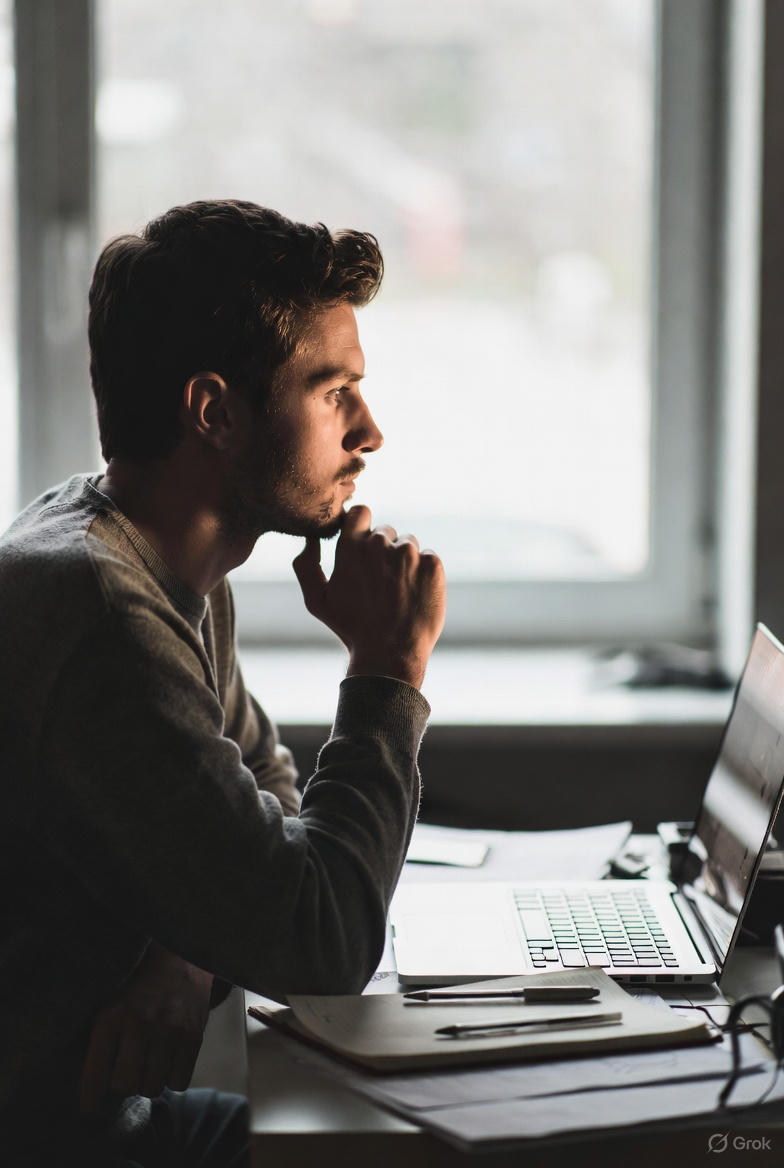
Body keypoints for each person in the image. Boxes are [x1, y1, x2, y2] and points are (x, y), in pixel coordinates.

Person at [0, 199, 446, 1166]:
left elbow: (269, 791)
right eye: (334, 392)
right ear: (216, 412)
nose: (369, 432)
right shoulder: (101, 618)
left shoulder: (162, 557)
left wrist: (186, 949)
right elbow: (321, 943)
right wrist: (387, 669)